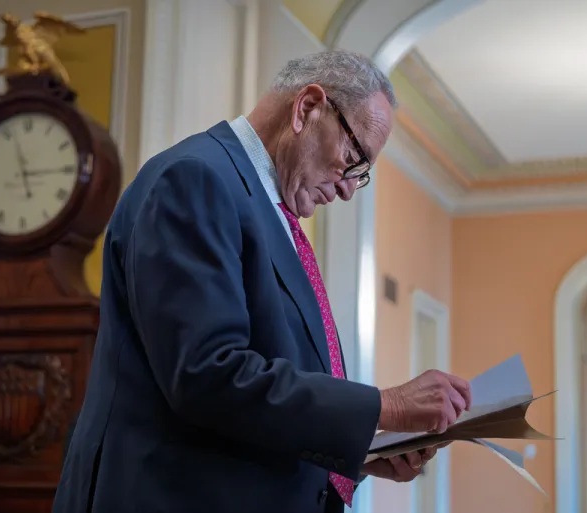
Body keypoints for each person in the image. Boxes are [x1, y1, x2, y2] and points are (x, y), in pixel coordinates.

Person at [53, 50, 472, 513]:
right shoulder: (195, 179)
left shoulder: (267, 207)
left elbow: (261, 397)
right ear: (307, 108)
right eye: (353, 158)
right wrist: (384, 406)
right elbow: (208, 376)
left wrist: (361, 449)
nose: (349, 187)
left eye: (362, 174)